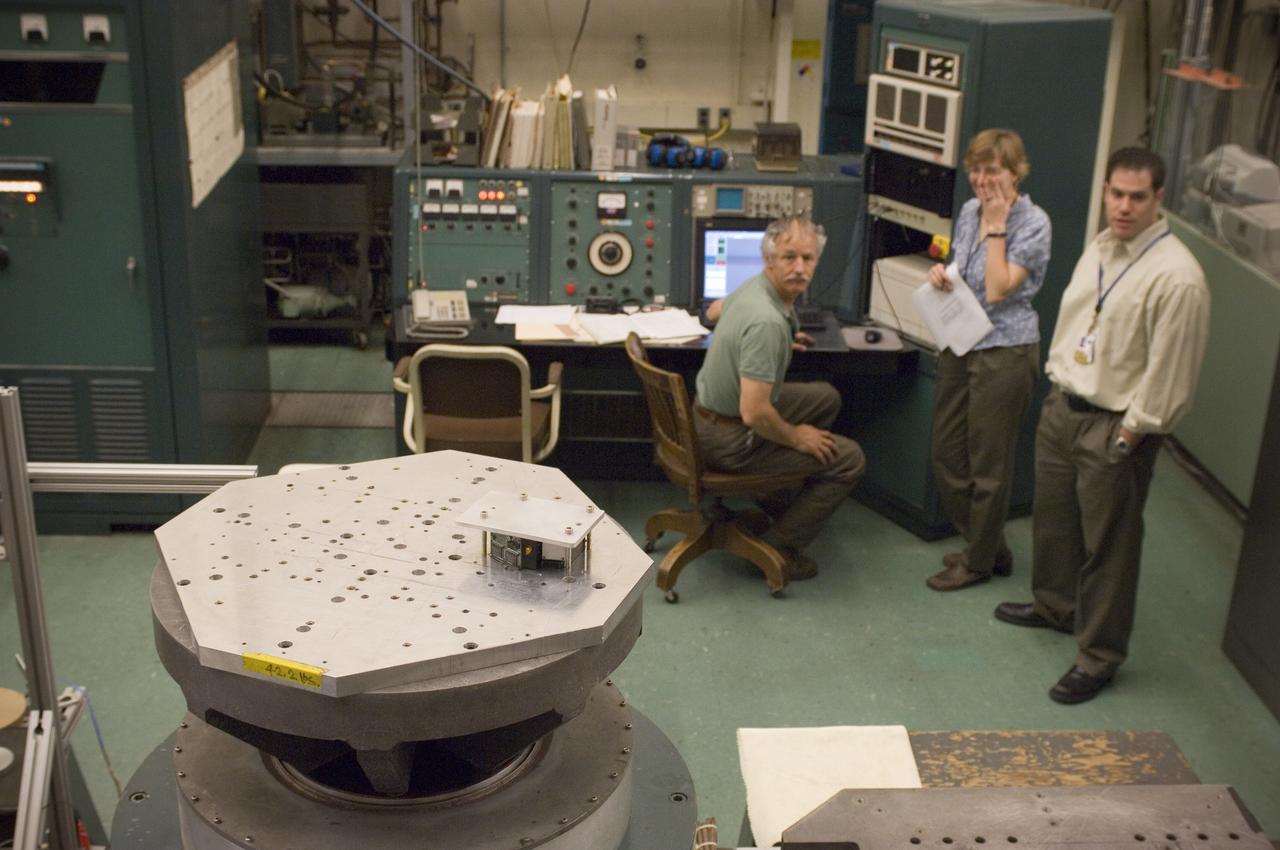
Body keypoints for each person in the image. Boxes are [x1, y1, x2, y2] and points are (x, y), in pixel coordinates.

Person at [994, 147, 1210, 704]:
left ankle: (1099, 656)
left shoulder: (1177, 276)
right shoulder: (1102, 246)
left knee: (1109, 545)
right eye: (1116, 193)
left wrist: (1133, 433)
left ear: (1159, 199)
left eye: (1137, 197)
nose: (1123, 206)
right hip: (1065, 406)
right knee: (1056, 522)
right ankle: (1055, 606)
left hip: (1116, 425)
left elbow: (1171, 374)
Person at [692, 214, 866, 581]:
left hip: (706, 417)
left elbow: (713, 311)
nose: (800, 268)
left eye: (808, 258)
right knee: (848, 459)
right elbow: (755, 413)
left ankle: (778, 490)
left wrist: (781, 339)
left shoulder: (754, 289)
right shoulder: (767, 323)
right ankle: (778, 546)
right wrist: (797, 437)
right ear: (769, 259)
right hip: (730, 439)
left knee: (826, 398)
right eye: (789, 257)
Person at [925, 129, 1052, 592]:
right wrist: (943, 274)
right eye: (976, 169)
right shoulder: (967, 212)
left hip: (1006, 350)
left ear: (1015, 173)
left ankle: (978, 561)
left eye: (993, 171)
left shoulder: (1033, 224)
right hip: (962, 340)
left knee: (989, 465)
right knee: (945, 452)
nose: (982, 180)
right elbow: (966, 270)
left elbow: (998, 287)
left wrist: (997, 226)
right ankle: (989, 546)